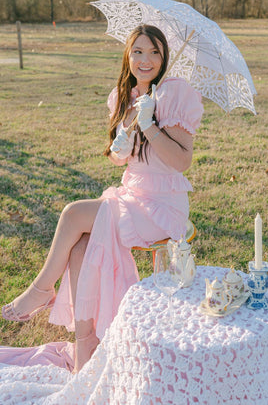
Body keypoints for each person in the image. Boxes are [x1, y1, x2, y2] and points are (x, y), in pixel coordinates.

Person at [1, 24, 204, 373]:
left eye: (155, 52)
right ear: (128, 54)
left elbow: (181, 161)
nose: (146, 60)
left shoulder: (173, 93)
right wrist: (120, 143)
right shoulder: (123, 96)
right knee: (79, 246)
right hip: (131, 194)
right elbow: (118, 159)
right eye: (138, 51)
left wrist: (151, 125)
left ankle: (40, 289)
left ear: (165, 56)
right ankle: (87, 348)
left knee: (72, 214)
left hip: (162, 205)